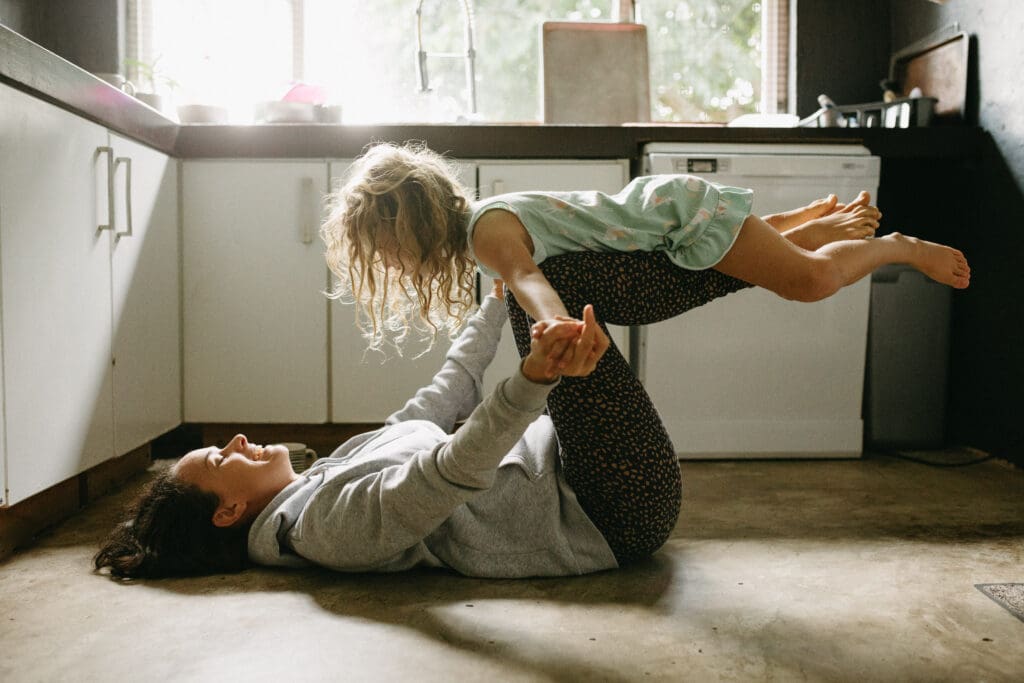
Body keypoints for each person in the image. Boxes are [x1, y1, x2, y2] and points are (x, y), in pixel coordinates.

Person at [95, 247, 766, 580]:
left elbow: (445, 393)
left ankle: (764, 258)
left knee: (539, 271)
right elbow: (447, 473)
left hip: (583, 466)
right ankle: (766, 263)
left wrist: (497, 295)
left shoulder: (324, 478)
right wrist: (532, 379)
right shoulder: (325, 527)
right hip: (610, 505)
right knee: (560, 276)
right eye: (219, 458)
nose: (235, 439)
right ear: (226, 512)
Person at [322, 141, 970, 367]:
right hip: (667, 212)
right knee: (745, 257)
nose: (388, 264)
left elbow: (527, 276)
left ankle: (897, 247)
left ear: (411, 223)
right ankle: (813, 220)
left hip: (674, 214)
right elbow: (520, 267)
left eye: (383, 250)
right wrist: (515, 285)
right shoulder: (483, 235)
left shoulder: (488, 236)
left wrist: (553, 322)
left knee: (808, 283)